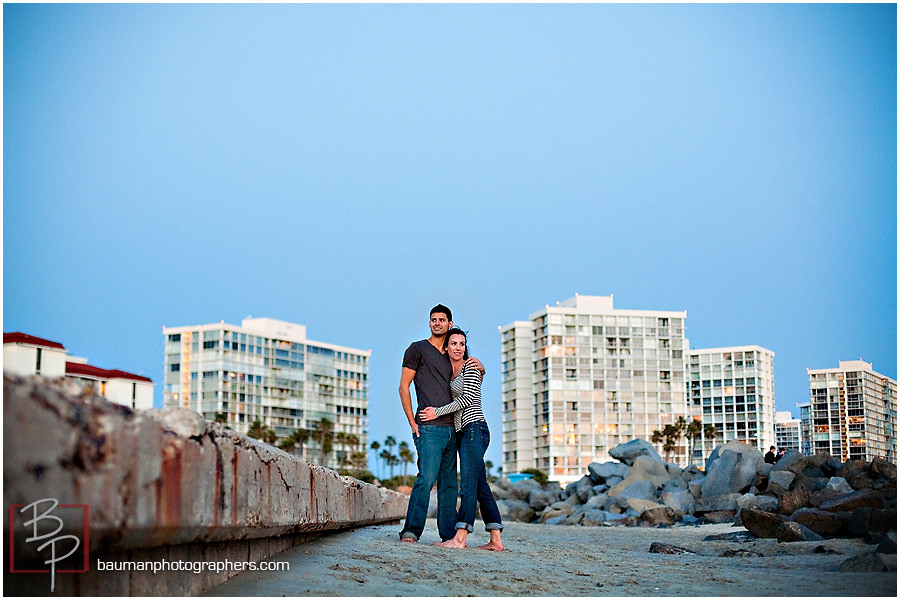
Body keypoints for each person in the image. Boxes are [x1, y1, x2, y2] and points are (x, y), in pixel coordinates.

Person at [398, 305, 483, 543]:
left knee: (448, 486)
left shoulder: (453, 353)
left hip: (453, 429)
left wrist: (482, 367)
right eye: (433, 320)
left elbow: (471, 377)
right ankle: (411, 531)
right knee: (425, 478)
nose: (437, 323)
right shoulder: (417, 349)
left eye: (442, 320)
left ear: (449, 323)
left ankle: (448, 535)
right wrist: (412, 423)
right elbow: (403, 387)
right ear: (429, 323)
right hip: (428, 428)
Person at [420, 328, 504, 551]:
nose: (458, 348)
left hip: (474, 428)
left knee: (467, 484)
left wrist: (437, 412)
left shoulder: (471, 366)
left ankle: (460, 537)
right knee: (480, 485)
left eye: (462, 344)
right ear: (446, 347)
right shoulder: (449, 371)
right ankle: (496, 540)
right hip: (462, 432)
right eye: (454, 343)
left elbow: (468, 398)